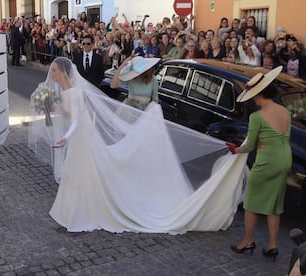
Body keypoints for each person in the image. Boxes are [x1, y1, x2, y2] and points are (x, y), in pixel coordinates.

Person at [28, 57, 248, 234]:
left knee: (83, 170)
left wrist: (65, 136)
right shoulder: (69, 91)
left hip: (89, 133)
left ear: (64, 72)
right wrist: (49, 108)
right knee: (80, 171)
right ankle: (73, 209)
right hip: (86, 132)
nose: (52, 74)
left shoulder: (74, 91)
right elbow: (71, 113)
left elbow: (76, 119)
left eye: (55, 70)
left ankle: (80, 210)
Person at [228, 66, 292, 262]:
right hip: (285, 157)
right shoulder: (284, 111)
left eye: (254, 95)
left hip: (267, 160)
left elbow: (249, 145)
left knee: (251, 203)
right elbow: (283, 135)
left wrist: (235, 149)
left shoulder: (257, 117)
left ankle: (247, 241)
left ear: (260, 94)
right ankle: (272, 245)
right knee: (274, 204)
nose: (253, 99)